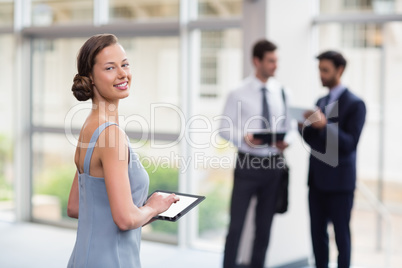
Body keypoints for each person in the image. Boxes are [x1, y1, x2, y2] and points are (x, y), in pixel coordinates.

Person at [66, 33, 179, 268]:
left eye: (125, 64)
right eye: (110, 68)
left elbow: (76, 207)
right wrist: (153, 207)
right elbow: (125, 219)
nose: (122, 74)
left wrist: (141, 209)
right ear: (91, 78)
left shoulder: (89, 126)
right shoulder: (111, 135)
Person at [219, 39, 291, 268]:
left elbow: (288, 127)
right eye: (270, 61)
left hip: (273, 166)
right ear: (256, 61)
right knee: (236, 225)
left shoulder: (282, 92)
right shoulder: (238, 92)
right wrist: (244, 137)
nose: (275, 66)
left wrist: (285, 141)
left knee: (264, 226)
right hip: (247, 164)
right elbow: (223, 128)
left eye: (276, 61)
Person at [300, 51, 366, 268]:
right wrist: (305, 128)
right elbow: (314, 142)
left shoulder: (356, 104)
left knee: (341, 238)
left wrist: (325, 125)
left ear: (340, 70)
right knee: (317, 237)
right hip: (317, 182)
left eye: (325, 70)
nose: (321, 74)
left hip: (340, 184)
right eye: (319, 70)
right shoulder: (320, 101)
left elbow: (349, 144)